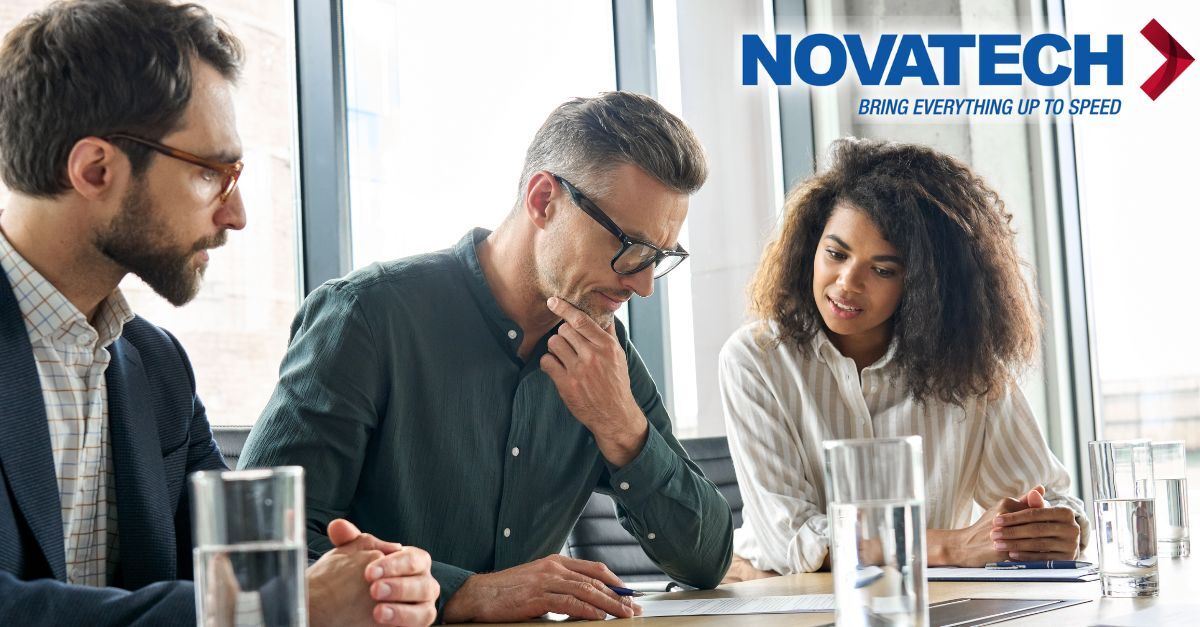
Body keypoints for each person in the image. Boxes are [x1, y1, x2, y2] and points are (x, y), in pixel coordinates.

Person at [0, 1, 436, 625]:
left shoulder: (158, 368)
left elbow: (238, 577)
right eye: (211, 174)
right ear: (96, 169)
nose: (237, 215)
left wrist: (374, 581)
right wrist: (295, 604)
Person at [240, 91, 734, 622]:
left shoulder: (604, 355)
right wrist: (467, 593)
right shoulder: (367, 317)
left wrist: (622, 427)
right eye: (629, 247)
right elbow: (256, 548)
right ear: (544, 200)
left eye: (658, 257)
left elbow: (706, 561)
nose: (643, 286)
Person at [718, 138, 1089, 581]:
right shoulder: (755, 359)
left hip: (928, 600)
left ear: (924, 285)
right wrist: (951, 546)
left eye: (883, 270)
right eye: (836, 254)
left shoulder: (969, 368)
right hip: (780, 594)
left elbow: (1053, 499)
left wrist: (1050, 528)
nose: (847, 282)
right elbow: (794, 540)